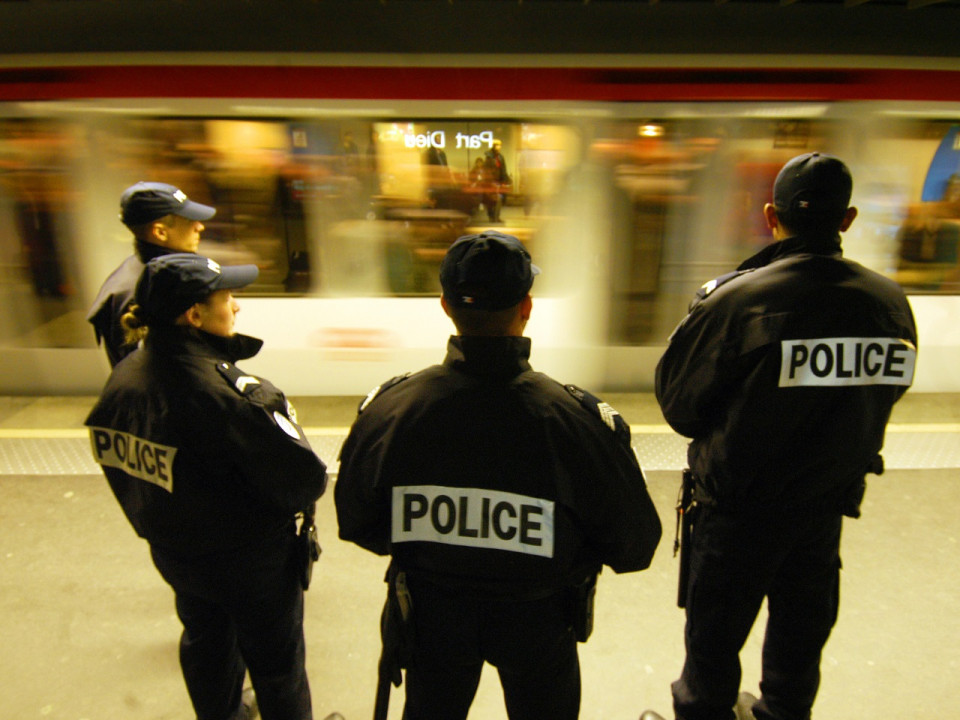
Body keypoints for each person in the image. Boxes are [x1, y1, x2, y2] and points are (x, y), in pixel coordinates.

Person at [335, 231, 662, 720]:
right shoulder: (573, 421)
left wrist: (433, 551)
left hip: (431, 617)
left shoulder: (392, 410)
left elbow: (356, 519)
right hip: (540, 619)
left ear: (445, 305)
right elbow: (634, 544)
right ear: (526, 307)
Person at [644, 153, 918, 720]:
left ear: (772, 215)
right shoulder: (890, 305)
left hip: (736, 514)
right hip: (823, 511)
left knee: (712, 654)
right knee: (798, 652)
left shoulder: (736, 300)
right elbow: (888, 392)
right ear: (847, 220)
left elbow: (680, 406)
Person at [85, 253, 328, 720]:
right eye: (228, 298)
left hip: (175, 554)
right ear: (194, 315)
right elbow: (305, 480)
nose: (236, 308)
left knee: (207, 647)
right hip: (252, 565)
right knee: (278, 669)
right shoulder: (232, 397)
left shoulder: (123, 379)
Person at [87, 181, 216, 367]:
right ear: (160, 232)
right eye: (189, 220)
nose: (200, 227)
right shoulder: (147, 292)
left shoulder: (136, 271)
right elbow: (157, 372)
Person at [482, 139, 510, 222]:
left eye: (500, 145)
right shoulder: (489, 157)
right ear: (494, 146)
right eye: (497, 145)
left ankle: (496, 216)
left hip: (499, 181)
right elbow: (487, 170)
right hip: (490, 182)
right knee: (491, 200)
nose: (499, 147)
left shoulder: (500, 157)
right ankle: (491, 216)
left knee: (499, 199)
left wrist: (505, 180)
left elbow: (503, 169)